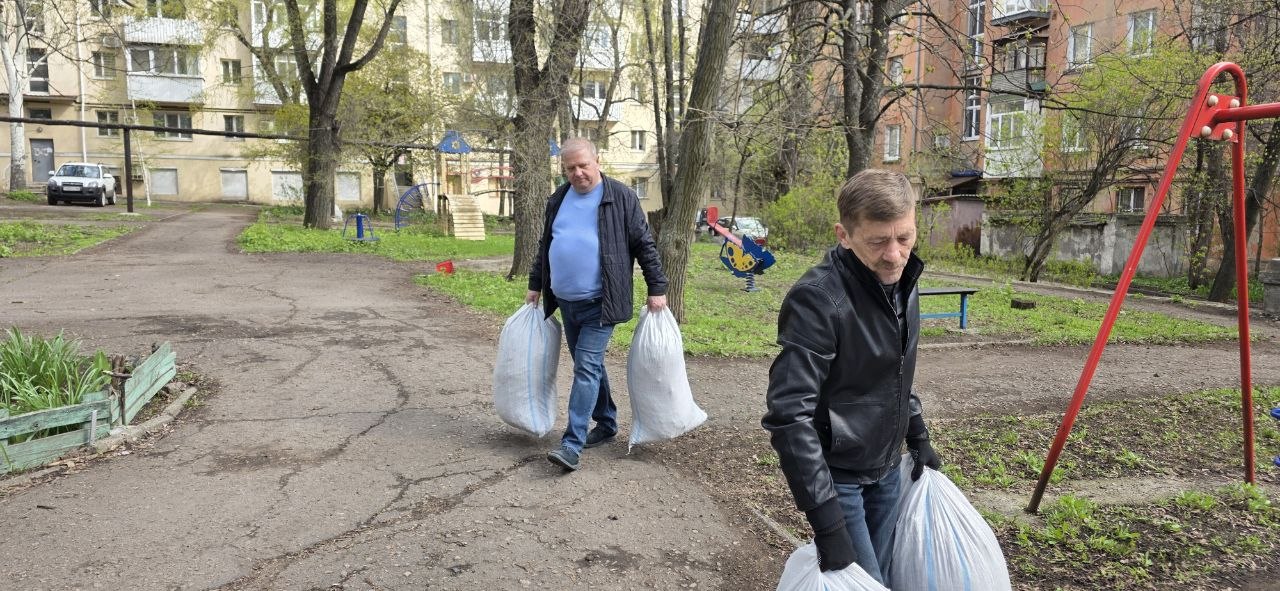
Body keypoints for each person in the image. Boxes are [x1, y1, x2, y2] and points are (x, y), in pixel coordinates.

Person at [761, 168, 943, 585]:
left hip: (886, 468)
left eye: (905, 238)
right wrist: (826, 522)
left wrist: (917, 435)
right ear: (844, 235)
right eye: (878, 241)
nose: (895, 254)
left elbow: (893, 370)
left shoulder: (902, 279)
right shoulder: (818, 299)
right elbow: (789, 414)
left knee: (880, 579)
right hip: (837, 477)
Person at [526, 137, 668, 472]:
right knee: (590, 367)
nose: (577, 173)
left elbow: (644, 246)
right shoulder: (557, 199)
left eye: (583, 165)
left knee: (586, 369)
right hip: (566, 300)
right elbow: (545, 245)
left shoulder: (621, 197)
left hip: (601, 302)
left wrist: (657, 287)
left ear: (597, 160)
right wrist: (535, 284)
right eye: (570, 168)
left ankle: (571, 445)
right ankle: (606, 423)